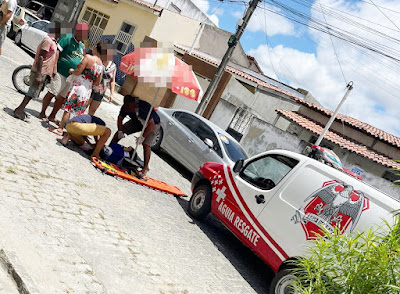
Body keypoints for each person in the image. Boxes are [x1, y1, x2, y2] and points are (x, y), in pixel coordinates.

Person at [40, 22, 87, 123]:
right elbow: (57, 51)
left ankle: (52, 115)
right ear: (78, 31)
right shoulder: (67, 38)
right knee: (52, 92)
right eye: (83, 33)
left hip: (71, 77)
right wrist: (54, 67)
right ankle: (42, 112)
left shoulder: (82, 46)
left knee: (62, 98)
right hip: (61, 72)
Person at [13, 22, 61, 120]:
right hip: (40, 71)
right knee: (31, 93)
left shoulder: (54, 41)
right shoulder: (48, 41)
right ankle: (19, 110)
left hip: (44, 72)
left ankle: (20, 109)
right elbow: (40, 57)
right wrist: (39, 75)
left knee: (33, 93)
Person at [52, 46, 103, 136]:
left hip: (78, 85)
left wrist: (72, 71)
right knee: (78, 112)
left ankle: (60, 128)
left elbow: (78, 71)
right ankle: (70, 133)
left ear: (95, 48)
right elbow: (97, 82)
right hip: (87, 89)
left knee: (68, 109)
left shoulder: (88, 58)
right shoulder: (101, 66)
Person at [111, 95, 160, 175]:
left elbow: (150, 124)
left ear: (134, 104)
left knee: (146, 143)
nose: (127, 108)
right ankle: (109, 150)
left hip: (152, 123)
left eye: (129, 106)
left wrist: (143, 137)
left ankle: (145, 168)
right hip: (137, 121)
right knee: (121, 131)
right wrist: (120, 131)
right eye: (126, 106)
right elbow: (120, 118)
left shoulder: (142, 108)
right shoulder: (125, 107)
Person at [88, 42, 116, 115]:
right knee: (84, 106)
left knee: (92, 110)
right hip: (91, 87)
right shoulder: (99, 61)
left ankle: (85, 124)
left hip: (101, 92)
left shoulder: (113, 66)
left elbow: (112, 81)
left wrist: (112, 94)